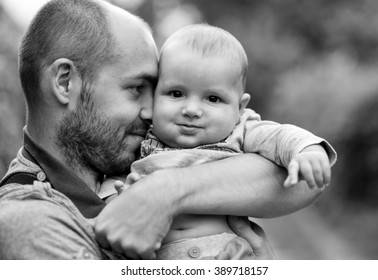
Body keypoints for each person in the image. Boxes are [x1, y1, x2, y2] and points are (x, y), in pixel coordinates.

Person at [0, 0, 324, 260]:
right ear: (65, 82)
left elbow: (300, 181)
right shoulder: (29, 222)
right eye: (136, 88)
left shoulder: (128, 155)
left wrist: (165, 191)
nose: (151, 110)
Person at [101, 24, 337, 259]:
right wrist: (116, 200)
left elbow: (280, 136)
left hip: (226, 255)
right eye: (176, 93)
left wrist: (308, 151)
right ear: (154, 95)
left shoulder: (240, 128)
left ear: (239, 107)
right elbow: (113, 182)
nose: (191, 109)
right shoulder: (143, 137)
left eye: (213, 98)